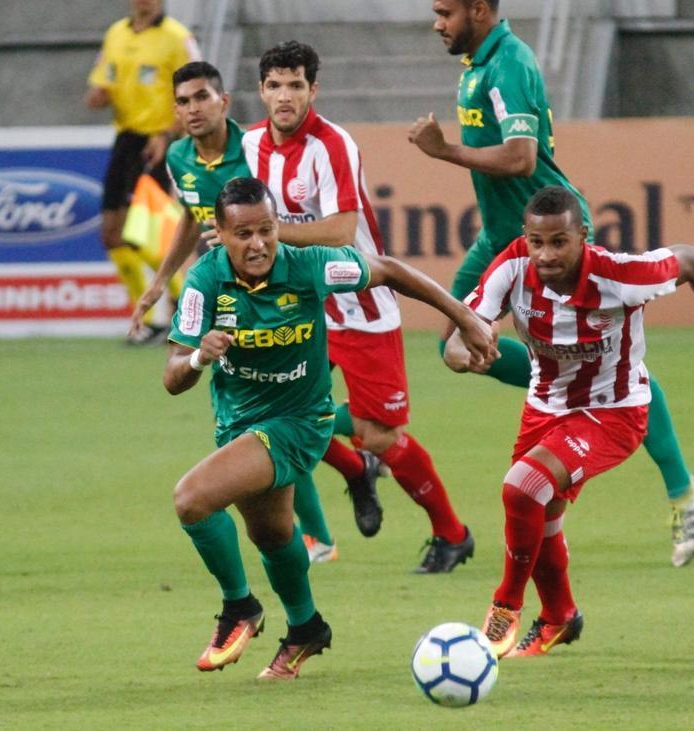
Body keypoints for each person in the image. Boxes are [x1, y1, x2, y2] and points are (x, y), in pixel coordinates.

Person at [411, 0, 694, 567]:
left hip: (550, 234)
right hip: (499, 237)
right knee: (458, 347)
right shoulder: (478, 67)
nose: (437, 24)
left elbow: (524, 159)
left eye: (444, 13)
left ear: (478, 10)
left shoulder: (510, 62)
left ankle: (684, 487)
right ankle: (570, 393)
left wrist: (446, 152)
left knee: (608, 364)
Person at [167, 177, 494, 679]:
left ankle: (239, 608)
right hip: (240, 424)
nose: (258, 244)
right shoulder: (205, 282)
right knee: (273, 536)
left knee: (192, 499)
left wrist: (465, 318)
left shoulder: (309, 265)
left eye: (267, 230)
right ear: (219, 233)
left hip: (300, 422)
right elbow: (172, 377)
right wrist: (196, 356)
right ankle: (306, 629)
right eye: (243, 234)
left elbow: (388, 271)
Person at [444, 186, 694, 657]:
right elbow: (459, 337)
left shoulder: (620, 275)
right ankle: (560, 617)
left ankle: (505, 606)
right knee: (540, 514)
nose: (545, 254)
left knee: (522, 488)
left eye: (559, 242)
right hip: (544, 407)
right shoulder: (512, 266)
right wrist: (466, 351)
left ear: (582, 236)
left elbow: (693, 261)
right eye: (536, 242)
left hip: (614, 411)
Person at [243, 40, 476, 573]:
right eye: (275, 85)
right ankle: (355, 472)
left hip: (359, 301)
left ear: (312, 90)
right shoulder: (252, 143)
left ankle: (452, 533)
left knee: (381, 434)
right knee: (277, 413)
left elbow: (341, 230)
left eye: (296, 85)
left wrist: (272, 234)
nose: (285, 96)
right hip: (299, 305)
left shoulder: (333, 145)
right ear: (261, 91)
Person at [132, 60, 342, 565]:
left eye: (201, 97)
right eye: (182, 101)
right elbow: (190, 216)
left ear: (224, 101)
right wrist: (161, 280)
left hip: (278, 296)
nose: (192, 109)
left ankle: (321, 529)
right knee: (264, 417)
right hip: (225, 292)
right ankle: (325, 520)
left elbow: (281, 222)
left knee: (280, 411)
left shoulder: (253, 151)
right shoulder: (179, 157)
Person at [85, 0, 201, 345]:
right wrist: (99, 95)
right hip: (126, 140)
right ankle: (148, 323)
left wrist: (168, 134)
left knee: (147, 234)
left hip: (160, 141)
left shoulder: (177, 38)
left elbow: (198, 92)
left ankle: (187, 306)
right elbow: (102, 84)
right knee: (111, 233)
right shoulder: (116, 33)